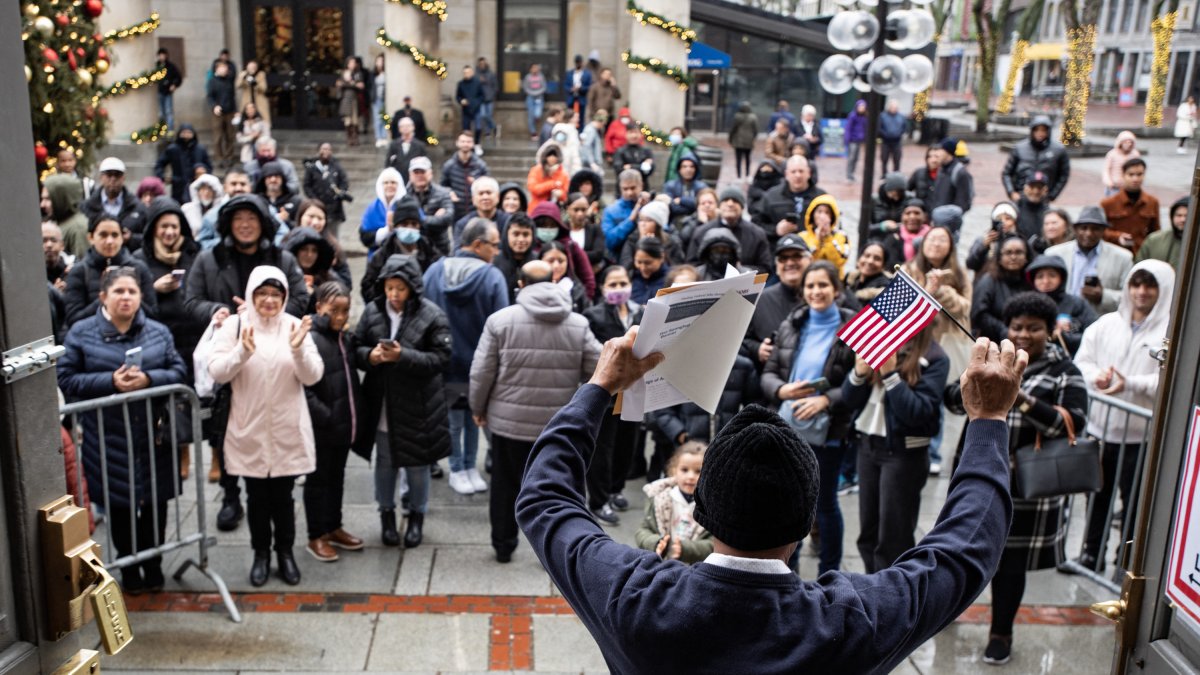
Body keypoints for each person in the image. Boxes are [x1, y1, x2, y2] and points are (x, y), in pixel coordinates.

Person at [517, 304, 1027, 672]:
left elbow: (545, 499)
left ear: (702, 513)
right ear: (806, 526)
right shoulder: (851, 623)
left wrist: (599, 388)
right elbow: (965, 550)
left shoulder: (634, 599)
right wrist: (988, 421)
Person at [945, 292, 1086, 665]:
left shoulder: (1065, 370)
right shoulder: (992, 360)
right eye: (1017, 326)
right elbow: (951, 399)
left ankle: (1001, 633)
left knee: (1009, 565)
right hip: (978, 469)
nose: (1023, 334)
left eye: (1034, 328)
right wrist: (976, 382)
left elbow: (1071, 423)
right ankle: (945, 609)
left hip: (1026, 485)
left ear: (1049, 330)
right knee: (962, 547)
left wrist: (1016, 395)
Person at [57, 267, 188, 594]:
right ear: (103, 297)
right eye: (119, 291)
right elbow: (66, 377)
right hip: (107, 435)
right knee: (120, 505)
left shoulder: (158, 331)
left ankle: (154, 565)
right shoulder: (82, 332)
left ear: (141, 296)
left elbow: (178, 370)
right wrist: (110, 382)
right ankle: (129, 569)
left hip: (153, 435)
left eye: (132, 291)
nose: (126, 297)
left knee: (156, 502)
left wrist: (149, 380)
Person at [184, 195, 310, 527]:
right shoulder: (209, 258)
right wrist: (219, 312)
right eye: (238, 218)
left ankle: (273, 488)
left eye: (252, 218)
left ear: (263, 223)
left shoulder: (281, 258)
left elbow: (300, 296)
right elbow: (191, 300)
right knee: (225, 430)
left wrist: (267, 311)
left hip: (274, 354)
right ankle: (230, 496)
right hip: (230, 353)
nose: (245, 225)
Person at [470, 260, 601, 562]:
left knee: (505, 486)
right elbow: (599, 369)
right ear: (553, 281)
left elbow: (481, 373)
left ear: (521, 284)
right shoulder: (578, 324)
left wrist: (478, 408)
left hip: (509, 425)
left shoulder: (500, 321)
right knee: (559, 490)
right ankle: (556, 554)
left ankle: (503, 546)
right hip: (558, 426)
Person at [208, 265, 323, 586]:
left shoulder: (294, 325)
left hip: (287, 427)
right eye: (262, 293)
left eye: (276, 294)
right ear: (251, 295)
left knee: (284, 498)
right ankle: (261, 553)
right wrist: (242, 352)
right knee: (256, 498)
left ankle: (285, 553)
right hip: (249, 427)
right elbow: (217, 370)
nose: (269, 300)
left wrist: (298, 349)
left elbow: (313, 376)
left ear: (285, 296)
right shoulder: (235, 326)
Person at [1073, 261, 1174, 572]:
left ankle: (1125, 562)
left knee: (1134, 503)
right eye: (1136, 284)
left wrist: (1130, 384)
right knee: (1096, 497)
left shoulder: (1169, 332)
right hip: (1101, 430)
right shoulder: (1106, 324)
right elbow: (1082, 363)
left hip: (1140, 436)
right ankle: (1091, 554)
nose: (1141, 292)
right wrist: (1097, 378)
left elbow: (1169, 379)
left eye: (1150, 286)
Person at [761, 261, 858, 573]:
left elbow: (859, 384)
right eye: (811, 286)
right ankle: (788, 571)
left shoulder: (853, 329)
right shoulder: (792, 324)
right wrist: (782, 390)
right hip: (789, 427)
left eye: (823, 285)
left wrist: (826, 401)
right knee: (790, 503)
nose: (816, 291)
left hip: (829, 430)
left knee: (824, 503)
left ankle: (829, 572)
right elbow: (769, 373)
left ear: (836, 289)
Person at [356, 255, 452, 549]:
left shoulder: (432, 315)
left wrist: (403, 356)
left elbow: (441, 358)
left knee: (418, 466)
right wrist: (370, 357)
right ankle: (386, 514)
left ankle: (417, 516)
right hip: (383, 403)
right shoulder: (372, 311)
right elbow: (356, 346)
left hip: (419, 405)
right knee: (384, 462)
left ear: (412, 287)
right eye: (389, 288)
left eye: (400, 288)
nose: (394, 294)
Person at [423, 219, 509, 495]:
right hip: (479, 365)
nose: (497, 251)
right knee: (474, 416)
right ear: (477, 244)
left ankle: (460, 468)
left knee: (455, 420)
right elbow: (502, 327)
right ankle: (464, 467)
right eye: (494, 245)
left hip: (442, 363)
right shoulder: (492, 277)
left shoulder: (435, 271)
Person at [300, 282, 365, 561]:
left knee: (336, 477)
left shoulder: (344, 338)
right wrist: (324, 415)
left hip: (342, 425)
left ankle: (333, 526)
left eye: (345, 311)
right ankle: (316, 535)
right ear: (318, 308)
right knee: (317, 481)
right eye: (333, 310)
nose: (340, 316)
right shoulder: (310, 339)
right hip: (322, 426)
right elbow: (303, 387)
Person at [904, 224, 974, 473]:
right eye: (931, 239)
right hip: (917, 342)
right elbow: (906, 307)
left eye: (942, 240)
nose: (936, 244)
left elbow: (965, 308)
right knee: (919, 391)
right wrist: (929, 289)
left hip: (949, 342)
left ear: (950, 246)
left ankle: (934, 451)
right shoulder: (909, 270)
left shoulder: (959, 273)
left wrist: (942, 289)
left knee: (940, 393)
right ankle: (917, 445)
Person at [584, 265, 645, 522]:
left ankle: (615, 489)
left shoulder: (642, 313)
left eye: (623, 283)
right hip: (607, 394)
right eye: (612, 284)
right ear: (602, 288)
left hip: (634, 391)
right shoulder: (593, 315)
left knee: (627, 445)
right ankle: (598, 501)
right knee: (602, 448)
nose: (619, 289)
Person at [63, 215, 158, 329]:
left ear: (122, 238)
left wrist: (131, 295)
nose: (109, 241)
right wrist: (106, 296)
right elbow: (73, 320)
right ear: (91, 238)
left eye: (115, 235)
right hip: (94, 337)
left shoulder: (139, 268)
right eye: (103, 235)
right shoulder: (79, 271)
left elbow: (153, 315)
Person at [1045, 206, 1134, 315]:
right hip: (1062, 317)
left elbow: (1131, 297)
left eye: (1095, 229)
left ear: (1103, 231)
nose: (1089, 233)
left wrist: (1103, 296)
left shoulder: (1123, 258)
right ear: (1075, 229)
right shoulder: (1054, 254)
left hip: (1101, 318)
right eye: (1084, 228)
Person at [742, 235, 811, 371]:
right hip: (771, 379)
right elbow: (738, 341)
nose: (790, 263)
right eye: (783, 258)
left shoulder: (826, 296)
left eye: (796, 256)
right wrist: (757, 349)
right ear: (777, 266)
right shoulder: (758, 300)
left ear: (810, 260)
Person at [633, 443, 712, 562]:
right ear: (674, 470)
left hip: (694, 568)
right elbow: (642, 531)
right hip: (661, 564)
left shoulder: (712, 507)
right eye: (684, 470)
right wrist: (656, 542)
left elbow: (714, 543)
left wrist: (686, 550)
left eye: (698, 471)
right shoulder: (659, 499)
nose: (691, 476)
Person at [362, 196, 441, 300]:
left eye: (414, 224)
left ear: (419, 226)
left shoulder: (429, 251)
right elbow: (368, 288)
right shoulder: (382, 255)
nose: (409, 228)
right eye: (404, 224)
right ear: (396, 226)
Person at [688, 187, 773, 273]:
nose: (730, 203)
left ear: (742, 207)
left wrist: (741, 270)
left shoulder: (757, 234)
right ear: (719, 205)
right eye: (725, 200)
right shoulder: (701, 232)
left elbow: (765, 267)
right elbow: (692, 265)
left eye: (735, 201)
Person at [1026, 254, 1097, 355]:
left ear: (1062, 278)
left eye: (1052, 275)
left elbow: (1093, 336)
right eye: (1040, 276)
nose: (1046, 281)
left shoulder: (1077, 304)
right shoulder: (1027, 305)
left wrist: (1064, 336)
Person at [971, 235, 1033, 343]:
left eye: (1018, 252)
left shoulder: (1031, 281)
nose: (1013, 257)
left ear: (1026, 256)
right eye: (1008, 253)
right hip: (993, 342)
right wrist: (1005, 331)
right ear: (1000, 257)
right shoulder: (989, 281)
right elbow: (979, 314)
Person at [755, 155, 826, 249]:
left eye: (801, 171)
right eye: (793, 172)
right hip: (780, 250)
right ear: (786, 174)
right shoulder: (771, 196)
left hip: (813, 249)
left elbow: (836, 226)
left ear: (809, 173)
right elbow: (756, 224)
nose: (798, 175)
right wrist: (775, 230)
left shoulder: (822, 198)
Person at [81, 157, 150, 252]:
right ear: (101, 177)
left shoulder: (138, 207)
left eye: (117, 175)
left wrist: (131, 238)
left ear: (123, 178)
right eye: (109, 175)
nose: (113, 179)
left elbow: (149, 238)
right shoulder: (88, 206)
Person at [530, 201, 597, 297]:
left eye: (552, 225)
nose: (547, 229)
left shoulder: (570, 246)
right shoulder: (528, 246)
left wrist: (583, 300)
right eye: (543, 225)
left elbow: (588, 279)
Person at [1100, 158, 1160, 256]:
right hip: (1116, 252)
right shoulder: (1108, 203)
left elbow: (1156, 233)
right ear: (1123, 175)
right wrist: (1117, 236)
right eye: (1131, 175)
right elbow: (1100, 231)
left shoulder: (1152, 202)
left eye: (1139, 174)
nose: (1135, 179)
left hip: (1141, 253)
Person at [1003, 116, 1070, 202]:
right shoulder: (1019, 148)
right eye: (1037, 130)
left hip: (1043, 197)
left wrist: (1052, 195)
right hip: (1021, 195)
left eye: (1043, 130)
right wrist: (1011, 192)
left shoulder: (1058, 151)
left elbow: (1063, 175)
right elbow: (1007, 173)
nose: (1040, 133)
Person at [288, 200, 351, 292]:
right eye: (311, 216)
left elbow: (346, 285)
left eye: (320, 218)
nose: (315, 222)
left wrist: (327, 267)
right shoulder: (288, 241)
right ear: (300, 217)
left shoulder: (333, 247)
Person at [404, 156, 455, 256]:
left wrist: (415, 221)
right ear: (410, 175)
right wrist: (431, 219)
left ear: (430, 173)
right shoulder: (404, 196)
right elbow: (401, 222)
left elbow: (447, 219)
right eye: (416, 172)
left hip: (438, 248)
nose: (420, 175)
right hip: (412, 248)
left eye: (423, 172)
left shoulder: (444, 193)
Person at [155, 124, 213, 205]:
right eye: (184, 132)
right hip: (178, 186)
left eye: (189, 132)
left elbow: (209, 166)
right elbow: (160, 164)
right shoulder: (173, 149)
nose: (186, 135)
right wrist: (163, 177)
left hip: (197, 185)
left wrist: (203, 174)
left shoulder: (200, 149)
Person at [302, 143, 351, 236]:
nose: (326, 151)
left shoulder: (337, 166)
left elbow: (344, 182)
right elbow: (306, 185)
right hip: (318, 205)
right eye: (323, 149)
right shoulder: (312, 168)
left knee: (333, 235)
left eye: (328, 149)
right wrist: (314, 199)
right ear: (318, 151)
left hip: (334, 208)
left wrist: (340, 192)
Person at [196, 170, 253, 251]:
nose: (238, 188)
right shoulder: (211, 216)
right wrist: (226, 243)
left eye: (243, 184)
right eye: (233, 184)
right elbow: (202, 244)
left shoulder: (264, 211)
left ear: (250, 187)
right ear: (225, 188)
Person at [441, 131, 490, 222]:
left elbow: (488, 185)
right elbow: (443, 186)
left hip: (476, 209)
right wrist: (449, 193)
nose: (465, 144)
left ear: (473, 144)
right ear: (457, 143)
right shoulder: (449, 165)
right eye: (463, 141)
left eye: (468, 142)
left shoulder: (480, 165)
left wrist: (476, 183)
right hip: (456, 209)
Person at [451, 176, 509, 253]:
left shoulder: (508, 221)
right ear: (473, 199)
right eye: (481, 193)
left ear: (498, 197)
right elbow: (458, 252)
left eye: (489, 193)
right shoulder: (463, 224)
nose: (485, 197)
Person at [359, 167, 407, 255]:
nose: (389, 185)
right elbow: (365, 237)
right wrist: (386, 231)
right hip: (377, 256)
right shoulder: (372, 208)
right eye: (386, 183)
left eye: (393, 182)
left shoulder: (407, 205)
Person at [493, 213, 540, 302]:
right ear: (507, 235)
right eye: (516, 234)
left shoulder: (538, 262)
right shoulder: (495, 261)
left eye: (526, 234)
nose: (521, 239)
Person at [601, 170, 648, 256]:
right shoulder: (610, 211)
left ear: (641, 185)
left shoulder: (650, 207)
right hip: (619, 258)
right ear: (620, 188)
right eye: (625, 189)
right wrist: (630, 220)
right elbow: (609, 242)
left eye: (633, 188)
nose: (629, 193)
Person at [799, 194, 849, 273]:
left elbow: (839, 262)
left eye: (827, 212)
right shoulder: (802, 236)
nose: (822, 216)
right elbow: (804, 262)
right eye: (819, 212)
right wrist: (817, 241)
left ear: (832, 216)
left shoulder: (841, 236)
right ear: (813, 214)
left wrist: (828, 238)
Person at [966, 201, 1020, 273]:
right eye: (999, 219)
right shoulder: (983, 240)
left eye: (1008, 218)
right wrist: (983, 246)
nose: (1003, 222)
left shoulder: (1020, 242)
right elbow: (970, 264)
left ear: (1015, 221)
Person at [1136, 196, 1188, 269]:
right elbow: (1139, 266)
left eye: (1187, 216)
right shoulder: (1154, 240)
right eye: (1179, 215)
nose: (1183, 219)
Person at [45, 174, 89, 259]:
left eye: (48, 199)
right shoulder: (59, 222)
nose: (43, 204)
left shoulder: (78, 228)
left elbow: (82, 262)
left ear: (61, 198)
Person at [564, 193, 607, 276]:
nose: (580, 214)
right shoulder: (563, 229)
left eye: (583, 210)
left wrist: (571, 255)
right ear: (568, 209)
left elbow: (598, 254)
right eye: (576, 210)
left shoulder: (595, 229)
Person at [253, 162, 301, 235]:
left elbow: (301, 226)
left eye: (277, 176)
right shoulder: (258, 201)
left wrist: (287, 220)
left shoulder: (295, 201)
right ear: (263, 179)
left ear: (282, 179)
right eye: (269, 176)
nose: (273, 180)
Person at [878, 198, 928, 268]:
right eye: (908, 213)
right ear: (902, 217)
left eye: (917, 213)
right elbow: (891, 264)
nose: (912, 217)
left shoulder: (930, 237)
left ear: (925, 217)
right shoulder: (893, 238)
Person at [206, 61, 238, 169]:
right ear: (217, 69)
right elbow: (210, 96)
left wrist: (235, 110)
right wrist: (214, 106)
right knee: (218, 137)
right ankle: (219, 158)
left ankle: (229, 157)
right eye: (223, 68)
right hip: (218, 113)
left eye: (226, 68)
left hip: (230, 112)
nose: (225, 70)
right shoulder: (212, 81)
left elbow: (232, 96)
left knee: (230, 135)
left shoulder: (229, 80)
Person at [928, 138, 974, 213]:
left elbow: (964, 202)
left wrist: (951, 216)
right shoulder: (941, 169)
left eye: (941, 150)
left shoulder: (959, 172)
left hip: (949, 217)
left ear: (947, 152)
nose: (938, 154)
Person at [663, 152, 708, 223]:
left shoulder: (702, 187)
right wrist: (692, 207)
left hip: (696, 223)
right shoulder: (670, 186)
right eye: (684, 167)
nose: (688, 170)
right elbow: (671, 206)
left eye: (691, 166)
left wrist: (681, 200)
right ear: (679, 169)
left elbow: (703, 205)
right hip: (673, 223)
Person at [844, 241, 892, 306]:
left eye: (877, 258)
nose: (870, 261)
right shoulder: (848, 279)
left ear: (883, 265)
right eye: (867, 256)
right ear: (859, 259)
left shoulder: (885, 289)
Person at [526, 143, 569, 210]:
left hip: (554, 209)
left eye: (554, 155)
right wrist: (553, 184)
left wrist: (560, 194)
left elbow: (566, 195)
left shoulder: (563, 174)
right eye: (550, 155)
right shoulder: (536, 170)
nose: (552, 158)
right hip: (537, 207)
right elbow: (534, 189)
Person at [630, 237, 671, 304]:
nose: (643, 268)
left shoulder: (671, 280)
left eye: (648, 263)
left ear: (661, 258)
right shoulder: (631, 276)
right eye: (639, 262)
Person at [182, 174, 224, 239]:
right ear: (197, 191)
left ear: (215, 192)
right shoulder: (187, 209)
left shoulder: (221, 211)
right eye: (203, 189)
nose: (206, 193)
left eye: (209, 189)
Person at [336, 57, 366, 146]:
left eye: (354, 63)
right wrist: (352, 84)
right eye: (351, 63)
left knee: (355, 120)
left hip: (355, 98)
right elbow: (339, 84)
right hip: (346, 98)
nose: (352, 64)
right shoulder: (343, 73)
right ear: (347, 64)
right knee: (347, 120)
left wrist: (350, 83)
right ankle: (349, 138)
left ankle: (355, 138)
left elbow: (361, 85)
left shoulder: (358, 73)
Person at [678, 187, 718, 254]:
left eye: (710, 202)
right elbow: (684, 238)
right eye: (703, 203)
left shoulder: (723, 221)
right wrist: (701, 223)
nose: (707, 205)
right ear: (698, 207)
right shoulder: (691, 222)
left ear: (716, 205)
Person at [1103, 131, 1141, 196]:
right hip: (1114, 187)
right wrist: (1108, 181)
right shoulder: (1112, 154)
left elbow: (1139, 170)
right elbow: (1106, 169)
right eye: (1126, 142)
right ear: (1121, 143)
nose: (1129, 144)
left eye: (1131, 142)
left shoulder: (1135, 154)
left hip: (1129, 187)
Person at [729, 102, 760, 179]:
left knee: (738, 159)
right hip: (748, 141)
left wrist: (730, 138)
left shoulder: (737, 116)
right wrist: (753, 138)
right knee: (748, 158)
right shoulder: (753, 117)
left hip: (738, 140)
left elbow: (733, 128)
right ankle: (747, 174)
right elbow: (756, 130)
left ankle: (738, 175)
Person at [156, 48, 183, 132]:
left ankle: (170, 130)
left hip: (168, 92)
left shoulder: (171, 66)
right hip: (159, 92)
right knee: (161, 113)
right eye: (160, 55)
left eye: (163, 55)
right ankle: (162, 130)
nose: (161, 57)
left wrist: (174, 85)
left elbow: (178, 77)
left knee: (169, 112)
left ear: (166, 55)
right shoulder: (156, 66)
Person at [455, 65, 484, 144]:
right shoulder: (461, 84)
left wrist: (476, 102)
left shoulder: (477, 83)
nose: (466, 74)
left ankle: (477, 143)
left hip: (476, 108)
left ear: (472, 73)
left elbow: (482, 96)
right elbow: (458, 96)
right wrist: (461, 101)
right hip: (466, 109)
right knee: (466, 129)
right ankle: (467, 145)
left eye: (468, 72)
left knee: (478, 127)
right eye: (464, 72)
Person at [236, 61, 270, 126]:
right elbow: (238, 86)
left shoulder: (261, 74)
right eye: (249, 67)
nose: (251, 69)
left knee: (263, 120)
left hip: (259, 101)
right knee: (246, 120)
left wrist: (255, 84)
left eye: (253, 67)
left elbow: (264, 88)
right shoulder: (244, 74)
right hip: (247, 101)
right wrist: (241, 77)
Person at [551, 110, 584, 177]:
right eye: (576, 117)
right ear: (570, 118)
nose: (578, 119)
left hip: (571, 162)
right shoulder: (561, 128)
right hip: (563, 159)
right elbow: (558, 142)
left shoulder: (574, 130)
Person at [879, 99, 906, 173]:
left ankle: (896, 174)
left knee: (897, 159)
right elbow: (879, 127)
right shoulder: (883, 116)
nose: (894, 109)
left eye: (895, 107)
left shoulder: (901, 117)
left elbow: (904, 127)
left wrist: (899, 134)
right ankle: (884, 174)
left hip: (897, 141)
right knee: (884, 158)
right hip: (886, 141)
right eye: (892, 107)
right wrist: (884, 134)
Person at [565, 54, 593, 126]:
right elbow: (565, 85)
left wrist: (580, 88)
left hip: (581, 97)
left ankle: (580, 130)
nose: (578, 64)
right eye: (577, 62)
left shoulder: (587, 74)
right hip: (571, 97)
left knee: (581, 118)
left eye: (579, 62)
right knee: (570, 116)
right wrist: (571, 89)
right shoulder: (569, 73)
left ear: (582, 62)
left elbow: (589, 86)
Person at [844, 99, 868, 182]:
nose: (862, 108)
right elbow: (848, 128)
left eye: (863, 107)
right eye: (860, 107)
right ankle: (849, 175)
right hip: (852, 140)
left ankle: (852, 174)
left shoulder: (864, 117)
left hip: (859, 140)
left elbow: (865, 128)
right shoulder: (852, 116)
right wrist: (847, 139)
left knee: (856, 158)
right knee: (851, 158)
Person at [522, 64, 546, 141]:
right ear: (530, 69)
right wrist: (532, 93)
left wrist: (537, 93)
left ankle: (536, 121)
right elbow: (525, 87)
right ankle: (533, 133)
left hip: (539, 97)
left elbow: (544, 87)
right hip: (530, 98)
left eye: (536, 68)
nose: (535, 69)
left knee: (538, 114)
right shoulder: (527, 77)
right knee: (530, 115)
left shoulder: (541, 76)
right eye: (533, 68)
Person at [370, 55, 388, 147]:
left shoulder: (387, 73)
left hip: (385, 99)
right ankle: (378, 137)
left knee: (385, 118)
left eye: (381, 61)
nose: (379, 63)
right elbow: (370, 86)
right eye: (378, 61)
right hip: (376, 99)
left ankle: (384, 137)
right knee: (377, 118)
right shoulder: (373, 74)